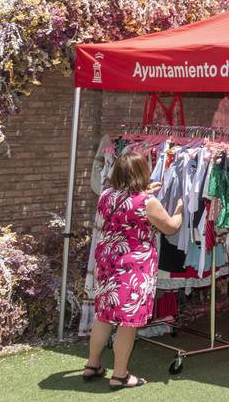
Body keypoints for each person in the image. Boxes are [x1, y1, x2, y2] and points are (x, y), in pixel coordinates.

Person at [83, 150, 184, 389]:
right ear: (142, 174)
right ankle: (120, 375)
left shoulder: (106, 195)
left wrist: (146, 190)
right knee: (128, 321)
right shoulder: (148, 203)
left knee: (105, 314)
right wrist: (179, 210)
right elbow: (170, 227)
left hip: (108, 260)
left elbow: (126, 200)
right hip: (133, 263)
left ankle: (92, 364)